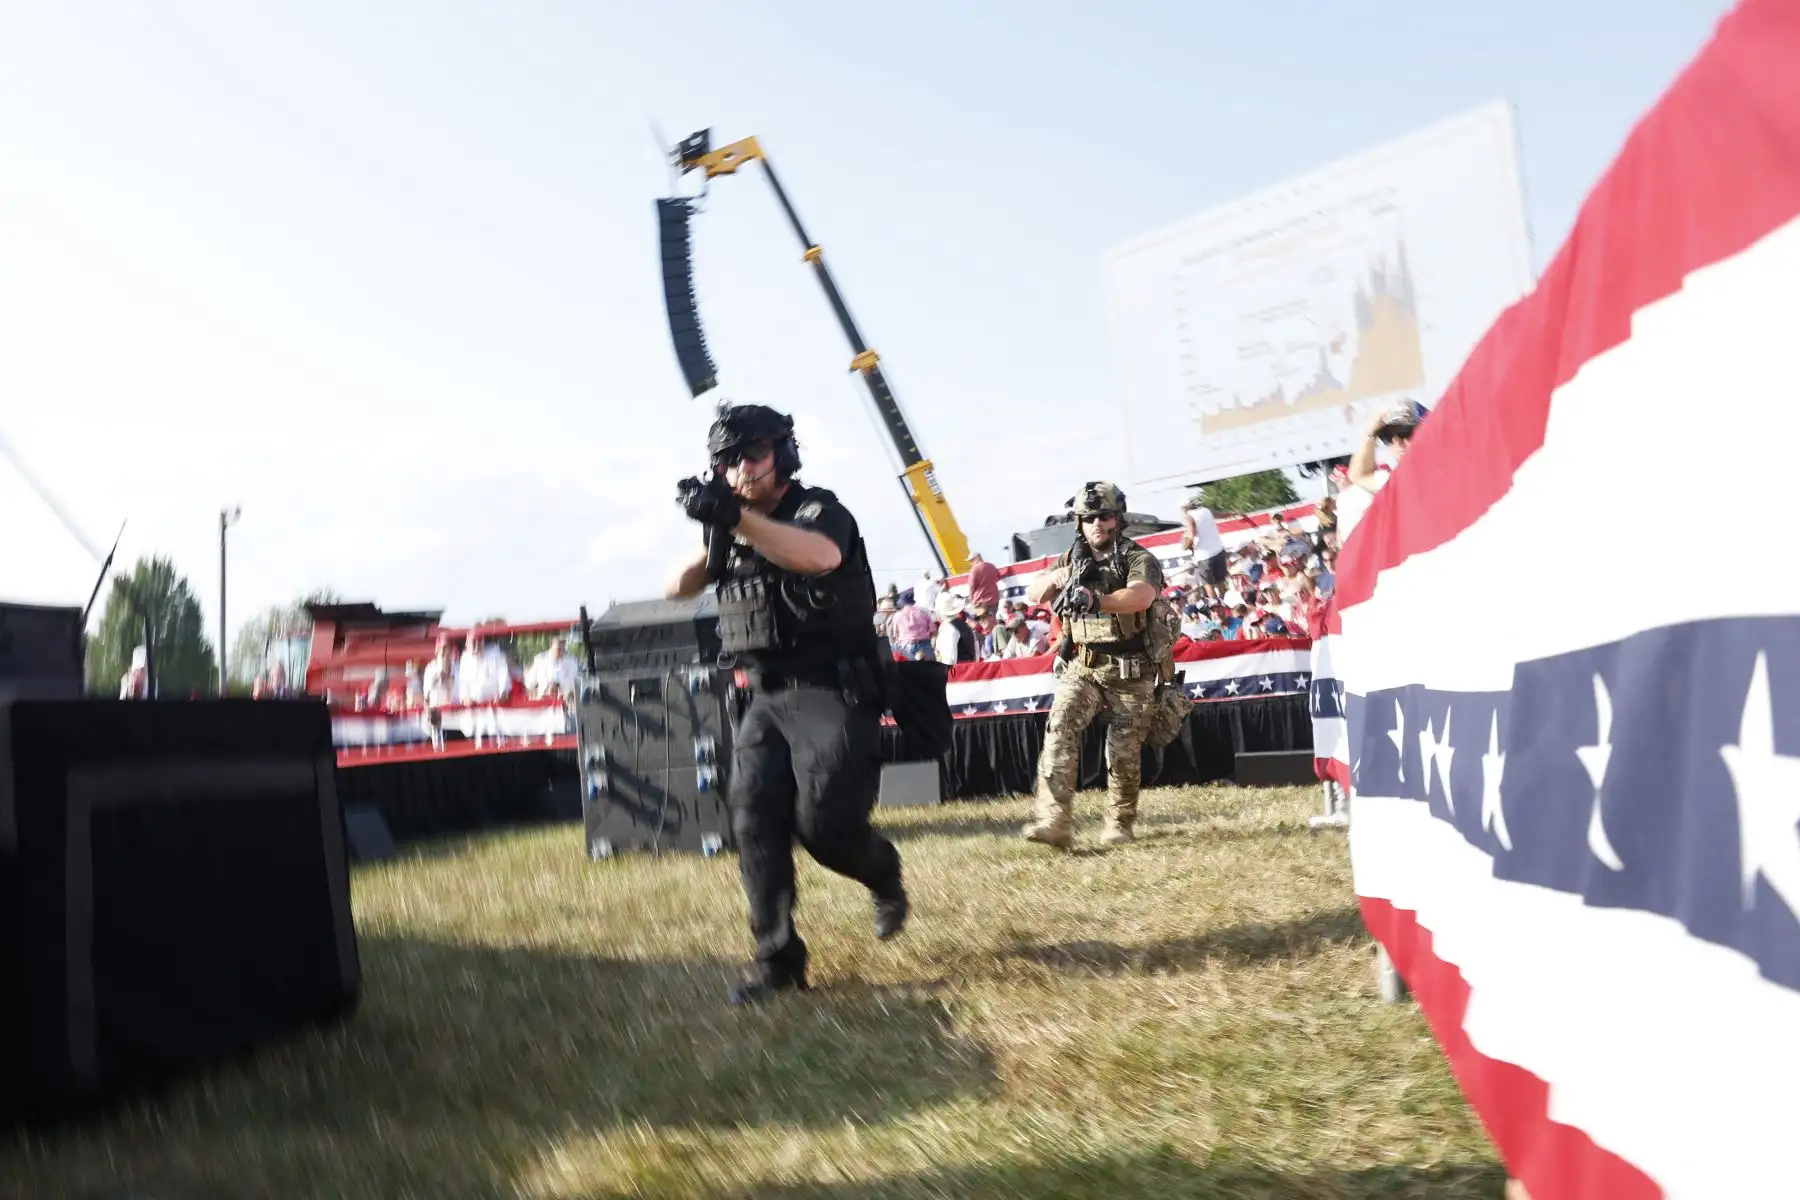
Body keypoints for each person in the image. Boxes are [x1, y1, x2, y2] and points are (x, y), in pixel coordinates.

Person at [666, 403, 908, 1006]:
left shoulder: (818, 510)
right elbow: (676, 586)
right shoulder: (735, 524)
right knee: (752, 816)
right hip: (768, 696)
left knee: (824, 826)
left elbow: (819, 557)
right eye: (727, 461)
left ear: (784, 453)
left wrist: (739, 519)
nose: (740, 469)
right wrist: (718, 526)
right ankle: (777, 960)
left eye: (752, 455)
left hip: (831, 690)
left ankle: (882, 873)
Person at [1021, 481, 1164, 848]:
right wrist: (1056, 578)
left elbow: (1141, 597)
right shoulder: (1071, 559)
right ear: (1079, 523)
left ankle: (1120, 823)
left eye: (1104, 516)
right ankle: (1055, 821)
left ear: (1118, 519)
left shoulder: (1137, 558)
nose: (1096, 524)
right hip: (1082, 665)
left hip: (1130, 668)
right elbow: (1033, 594)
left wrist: (1094, 599)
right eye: (1088, 518)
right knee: (1060, 727)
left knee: (1123, 751)